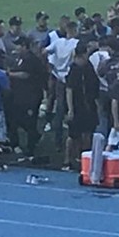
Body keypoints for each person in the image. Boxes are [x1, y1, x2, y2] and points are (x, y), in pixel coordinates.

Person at [7, 36, 45, 162]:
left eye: (18, 45)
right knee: (17, 119)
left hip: (31, 97)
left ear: (24, 46)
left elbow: (25, 74)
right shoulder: (21, 58)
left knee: (30, 122)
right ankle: (28, 139)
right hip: (21, 96)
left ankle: (31, 148)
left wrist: (9, 74)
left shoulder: (31, 59)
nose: (16, 47)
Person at [64, 43, 99, 171]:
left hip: (88, 105)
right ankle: (68, 160)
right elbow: (69, 90)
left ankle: (85, 158)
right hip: (77, 106)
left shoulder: (88, 67)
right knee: (73, 135)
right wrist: (70, 109)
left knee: (88, 133)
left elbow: (95, 84)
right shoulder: (74, 69)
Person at [45, 21, 79, 151]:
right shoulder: (76, 43)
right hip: (70, 77)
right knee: (73, 106)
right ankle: (73, 138)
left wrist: (51, 67)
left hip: (58, 77)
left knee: (59, 109)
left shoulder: (58, 42)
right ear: (74, 30)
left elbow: (44, 51)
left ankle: (58, 141)